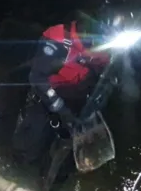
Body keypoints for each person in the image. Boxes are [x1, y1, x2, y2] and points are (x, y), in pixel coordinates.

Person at [12, 13, 114, 173]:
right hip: (47, 93)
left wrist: (102, 93)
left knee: (69, 152)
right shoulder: (60, 40)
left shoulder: (105, 48)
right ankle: (17, 171)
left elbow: (106, 75)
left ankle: (53, 179)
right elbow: (37, 77)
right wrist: (60, 109)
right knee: (32, 140)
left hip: (76, 95)